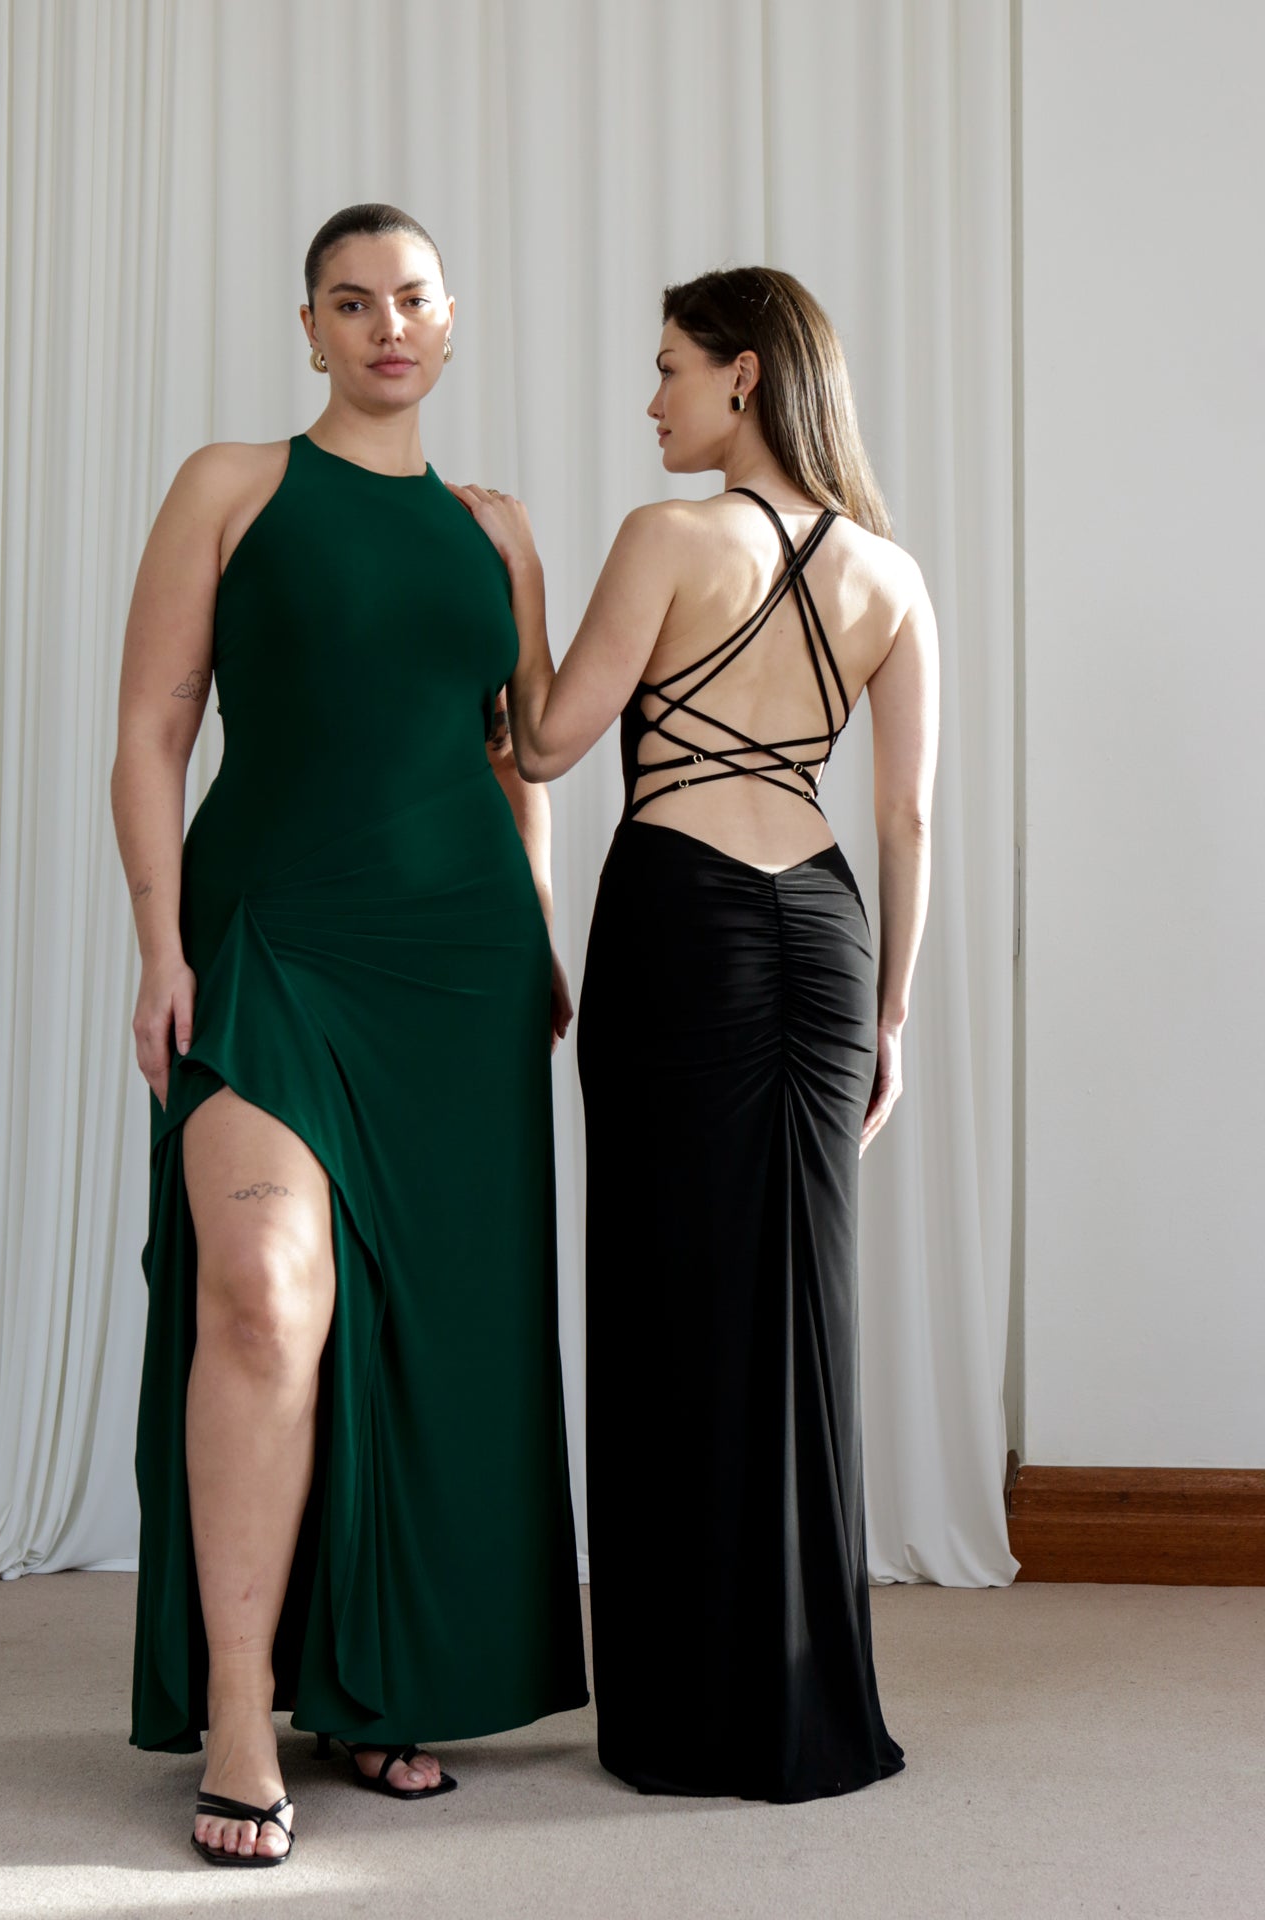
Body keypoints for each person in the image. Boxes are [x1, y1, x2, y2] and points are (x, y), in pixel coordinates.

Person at [110, 202, 587, 1868]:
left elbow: (514, 756)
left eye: (414, 299)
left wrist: (542, 937)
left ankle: (382, 1682)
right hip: (274, 940)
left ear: (451, 325)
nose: (388, 324)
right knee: (262, 1293)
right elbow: (153, 726)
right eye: (352, 300)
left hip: (461, 965)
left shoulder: (498, 531)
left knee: (424, 1332)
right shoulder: (233, 486)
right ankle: (244, 1706)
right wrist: (158, 947)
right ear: (307, 328)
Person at [449, 265, 935, 1804]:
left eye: (669, 368)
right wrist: (894, 1016)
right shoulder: (892, 576)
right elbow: (907, 817)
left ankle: (683, 1713)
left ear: (744, 375)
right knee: (804, 1308)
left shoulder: (665, 539)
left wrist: (522, 573)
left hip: (684, 920)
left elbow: (544, 739)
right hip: (827, 936)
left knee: (670, 1293)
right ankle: (809, 1704)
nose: (651, 399)